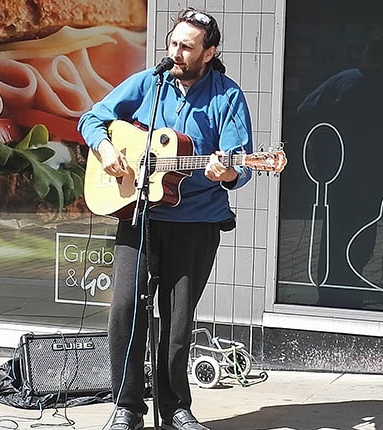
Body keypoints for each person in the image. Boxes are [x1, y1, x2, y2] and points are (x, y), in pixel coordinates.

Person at [78, 7, 253, 430]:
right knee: (124, 311)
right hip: (138, 214)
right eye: (172, 43)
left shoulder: (228, 96)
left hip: (196, 222)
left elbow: (241, 166)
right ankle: (127, 407)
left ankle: (175, 409)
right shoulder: (150, 83)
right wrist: (105, 149)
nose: (175, 52)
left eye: (187, 47)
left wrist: (226, 170)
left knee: (176, 323)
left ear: (209, 52)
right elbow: (91, 118)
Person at [297, 32, 383, 307]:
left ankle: (334, 286)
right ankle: (348, 281)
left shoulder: (346, 80)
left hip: (341, 168)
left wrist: (323, 142)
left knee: (337, 229)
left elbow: (306, 110)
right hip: (368, 170)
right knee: (363, 229)